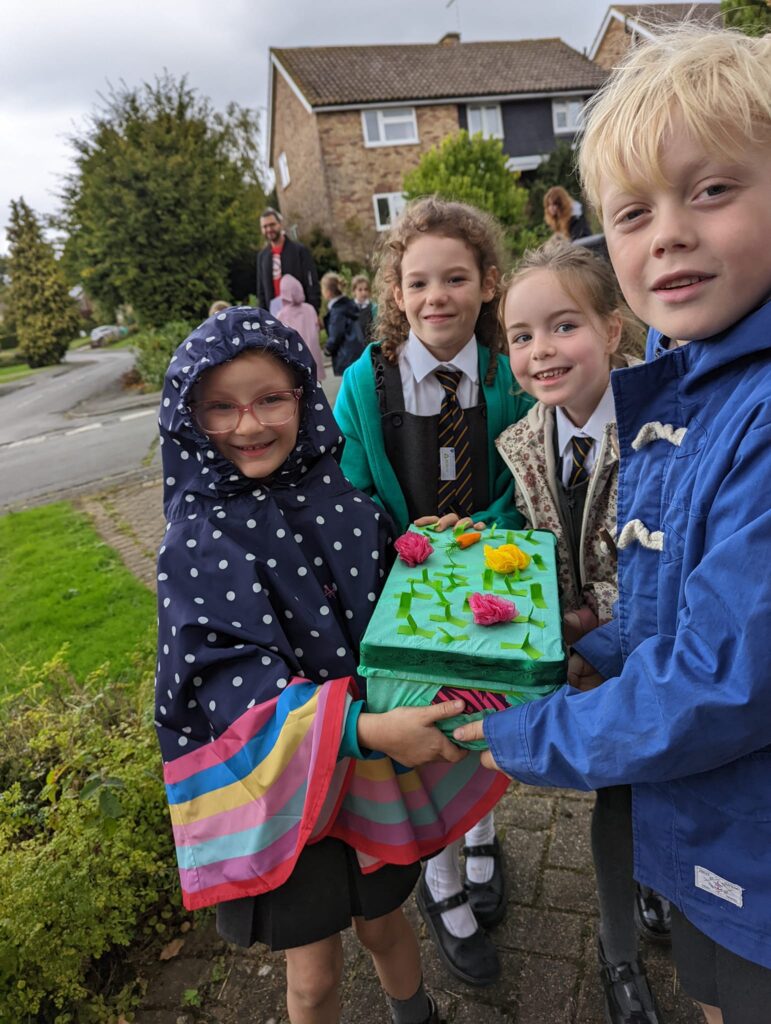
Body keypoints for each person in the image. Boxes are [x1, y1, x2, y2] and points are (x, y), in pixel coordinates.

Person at [455, 26, 771, 1024]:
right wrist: (587, 644)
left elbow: (723, 681)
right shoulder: (702, 390)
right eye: (633, 211)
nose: (668, 233)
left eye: (712, 190)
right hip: (720, 833)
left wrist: (521, 735)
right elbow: (683, 605)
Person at [154, 307, 510, 1024]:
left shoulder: (342, 501)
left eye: (270, 399)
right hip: (280, 784)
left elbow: (388, 605)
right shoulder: (194, 543)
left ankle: (417, 1014)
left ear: (302, 397)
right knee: (313, 974)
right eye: (219, 408)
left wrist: (429, 555)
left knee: (383, 924)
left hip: (369, 777)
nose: (249, 425)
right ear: (187, 419)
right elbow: (232, 686)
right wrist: (368, 731)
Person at [334, 196, 533, 988]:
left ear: (487, 284)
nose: (436, 298)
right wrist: (408, 540)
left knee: (489, 717)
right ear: (397, 292)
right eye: (418, 283)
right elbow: (351, 492)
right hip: (403, 583)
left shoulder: (504, 372)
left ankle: (482, 835)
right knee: (432, 730)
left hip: (489, 577)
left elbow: (524, 470)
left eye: (455, 278)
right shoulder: (364, 383)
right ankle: (442, 886)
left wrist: (477, 530)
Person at [495, 236, 669, 1024]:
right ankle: (616, 950)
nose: (540, 351)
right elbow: (532, 528)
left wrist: (594, 630)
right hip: (579, 664)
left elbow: (673, 563)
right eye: (520, 336)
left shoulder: (660, 431)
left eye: (561, 327)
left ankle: (655, 888)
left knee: (656, 784)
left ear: (612, 328)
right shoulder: (526, 438)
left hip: (648, 650)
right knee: (616, 793)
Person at [257, 207, 321, 313]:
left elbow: (312, 283)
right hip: (275, 316)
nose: (269, 229)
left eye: (272, 225)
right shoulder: (262, 257)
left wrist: (314, 310)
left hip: (300, 313)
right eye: (265, 226)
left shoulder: (299, 251)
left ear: (280, 224)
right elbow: (261, 291)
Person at [276, 273, 326, 381]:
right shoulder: (310, 309)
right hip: (313, 357)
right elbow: (317, 330)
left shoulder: (282, 314)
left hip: (295, 359)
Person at [322, 272, 365, 376]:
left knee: (350, 386)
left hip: (346, 355)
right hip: (357, 351)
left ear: (327, 292)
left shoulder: (337, 311)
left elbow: (336, 334)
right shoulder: (349, 305)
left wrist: (328, 348)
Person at [351, 273, 377, 342]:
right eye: (360, 290)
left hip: (368, 347)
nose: (363, 293)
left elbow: (377, 329)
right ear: (354, 291)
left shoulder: (373, 308)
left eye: (366, 289)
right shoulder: (349, 308)